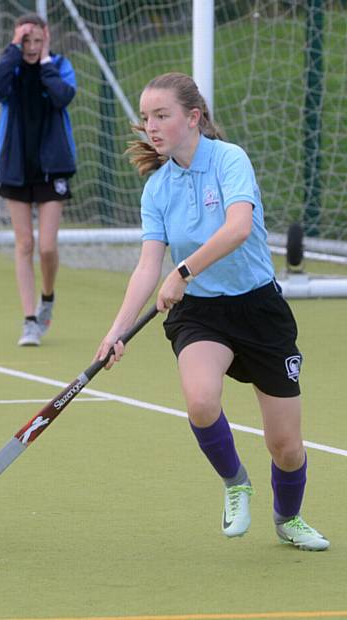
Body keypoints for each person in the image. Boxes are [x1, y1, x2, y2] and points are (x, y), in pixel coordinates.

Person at [95, 73, 329, 551]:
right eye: (146, 118)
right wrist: (116, 330)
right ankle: (235, 484)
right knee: (201, 402)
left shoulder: (229, 160)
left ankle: (288, 518)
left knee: (286, 448)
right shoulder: (157, 188)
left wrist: (182, 271)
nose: (151, 127)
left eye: (162, 116)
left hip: (260, 309)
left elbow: (238, 229)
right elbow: (146, 267)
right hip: (201, 315)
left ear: (192, 117)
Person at [0, 13, 77, 346]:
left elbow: (62, 96)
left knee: (48, 246)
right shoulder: (9, 70)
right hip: (16, 168)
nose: (31, 46)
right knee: (24, 244)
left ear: (47, 39)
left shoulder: (59, 66)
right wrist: (13, 47)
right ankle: (29, 320)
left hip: (52, 168)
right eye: (25, 40)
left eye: (37, 40)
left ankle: (48, 296)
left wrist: (45, 61)